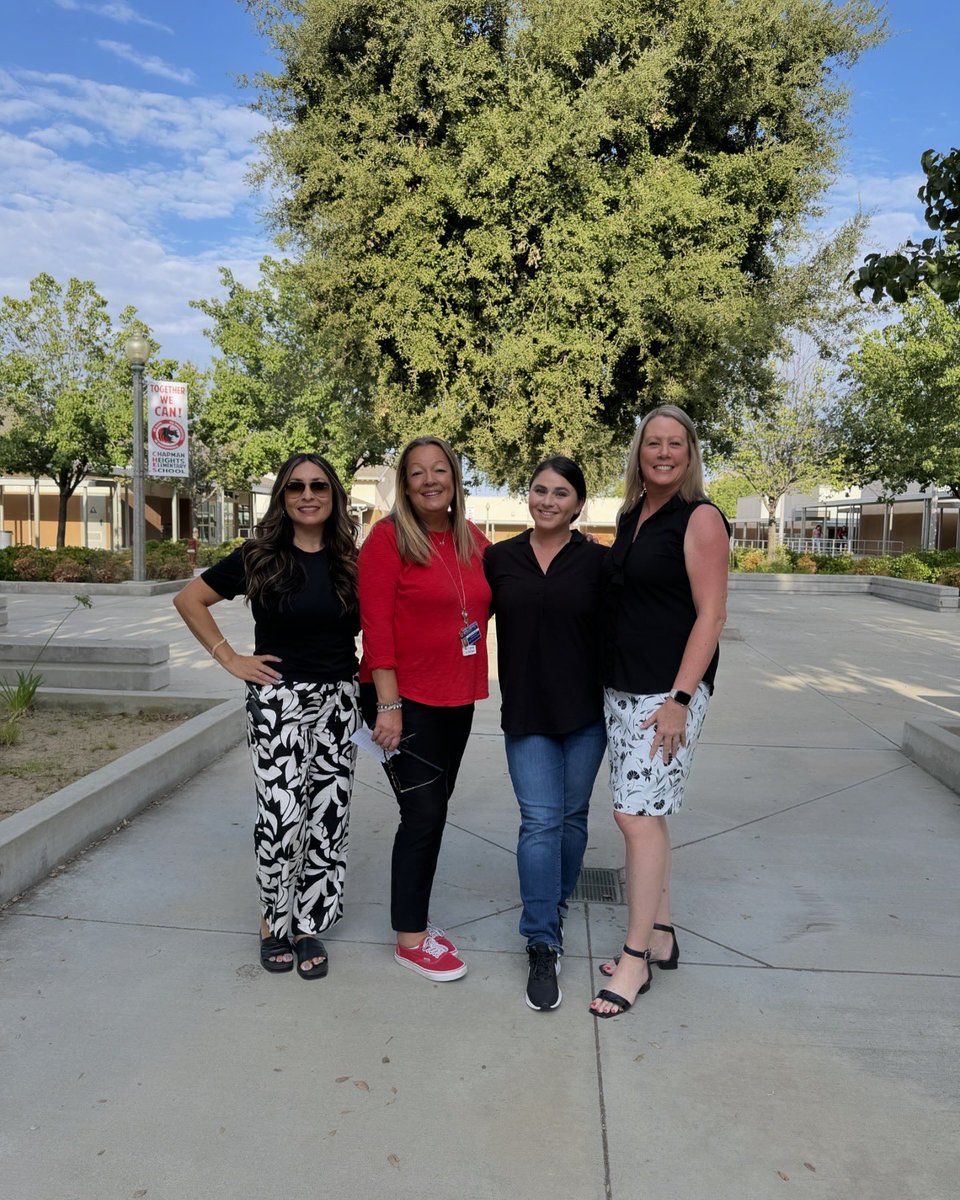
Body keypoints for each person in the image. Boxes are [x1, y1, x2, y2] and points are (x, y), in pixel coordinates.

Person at [173, 453, 361, 980]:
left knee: (327, 816)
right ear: (282, 496)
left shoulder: (352, 559)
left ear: (333, 495)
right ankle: (273, 922)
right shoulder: (259, 556)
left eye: (319, 485)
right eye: (296, 486)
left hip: (339, 703)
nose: (308, 494)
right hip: (278, 701)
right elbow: (190, 599)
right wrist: (228, 658)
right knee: (282, 818)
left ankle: (308, 924)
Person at [591, 405, 729, 1018]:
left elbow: (712, 615)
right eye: (654, 443)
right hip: (624, 689)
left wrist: (678, 700)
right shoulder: (632, 515)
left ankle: (635, 958)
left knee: (634, 818)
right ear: (639, 452)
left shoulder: (699, 518)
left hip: (666, 695)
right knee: (647, 814)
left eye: (676, 444)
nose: (664, 453)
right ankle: (663, 933)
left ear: (690, 453)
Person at [358, 436, 491, 982]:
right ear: (405, 485)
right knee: (424, 815)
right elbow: (377, 628)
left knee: (432, 812)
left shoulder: (473, 542)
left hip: (457, 698)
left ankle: (417, 921)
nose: (431, 480)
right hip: (402, 702)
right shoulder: (388, 540)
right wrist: (388, 705)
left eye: (441, 470)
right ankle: (411, 938)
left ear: (456, 480)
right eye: (418, 473)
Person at [484, 457, 607, 1011]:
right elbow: (452, 614)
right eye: (539, 490)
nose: (548, 500)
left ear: (579, 503)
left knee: (573, 818)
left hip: (587, 714)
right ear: (527, 497)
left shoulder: (601, 563)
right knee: (540, 820)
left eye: (561, 493)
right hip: (528, 714)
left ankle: (552, 903)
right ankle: (542, 939)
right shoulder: (498, 559)